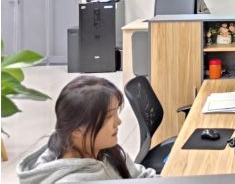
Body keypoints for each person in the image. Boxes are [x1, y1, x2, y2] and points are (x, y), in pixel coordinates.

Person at [17, 76, 157, 182]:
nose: (118, 122)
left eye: (116, 113)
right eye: (109, 116)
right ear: (76, 131)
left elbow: (142, 176)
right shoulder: (71, 181)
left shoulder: (107, 152)